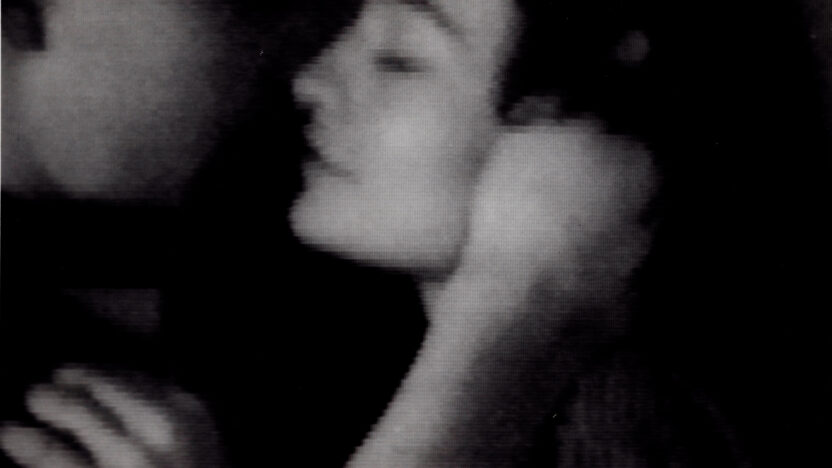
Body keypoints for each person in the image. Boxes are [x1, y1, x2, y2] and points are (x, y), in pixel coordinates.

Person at [4, 0, 830, 466]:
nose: (309, 79)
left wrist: (507, 319)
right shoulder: (314, 371)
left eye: (399, 61)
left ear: (590, 131)